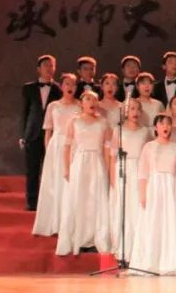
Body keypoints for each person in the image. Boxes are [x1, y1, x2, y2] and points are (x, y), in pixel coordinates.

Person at [56, 90, 110, 256]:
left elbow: (107, 148)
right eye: (88, 99)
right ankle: (77, 239)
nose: (91, 102)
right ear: (81, 103)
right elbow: (66, 147)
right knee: (79, 199)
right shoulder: (75, 121)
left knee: (96, 200)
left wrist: (108, 169)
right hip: (79, 163)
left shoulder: (103, 122)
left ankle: (94, 239)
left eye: (94, 99)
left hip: (97, 162)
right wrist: (66, 168)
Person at [131, 115, 176, 274]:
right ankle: (151, 260)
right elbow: (143, 173)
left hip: (171, 187)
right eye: (162, 124)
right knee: (153, 222)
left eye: (168, 124)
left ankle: (169, 261)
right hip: (154, 187)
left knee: (170, 222)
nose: (165, 127)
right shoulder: (149, 146)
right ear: (155, 127)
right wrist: (143, 194)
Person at [33, 73, 80, 237]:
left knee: (70, 183)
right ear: (61, 86)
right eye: (67, 84)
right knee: (55, 183)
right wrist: (48, 152)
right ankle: (54, 222)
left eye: (73, 84)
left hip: (74, 145)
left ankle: (70, 223)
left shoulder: (80, 105)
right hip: (57, 145)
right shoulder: (53, 106)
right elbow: (48, 131)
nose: (70, 87)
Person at [104, 97, 149, 258]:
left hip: (139, 170)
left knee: (137, 207)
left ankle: (137, 248)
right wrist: (112, 179)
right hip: (123, 169)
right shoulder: (119, 130)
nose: (135, 112)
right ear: (125, 112)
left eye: (137, 109)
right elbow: (112, 156)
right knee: (123, 207)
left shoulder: (145, 131)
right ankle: (122, 247)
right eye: (131, 109)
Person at [20, 54, 58, 212]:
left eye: (52, 65)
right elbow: (24, 112)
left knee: (51, 170)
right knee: (32, 170)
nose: (49, 68)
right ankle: (32, 202)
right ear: (38, 69)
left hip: (52, 134)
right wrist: (22, 135)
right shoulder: (28, 88)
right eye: (46, 65)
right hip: (33, 133)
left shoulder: (59, 89)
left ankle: (50, 202)